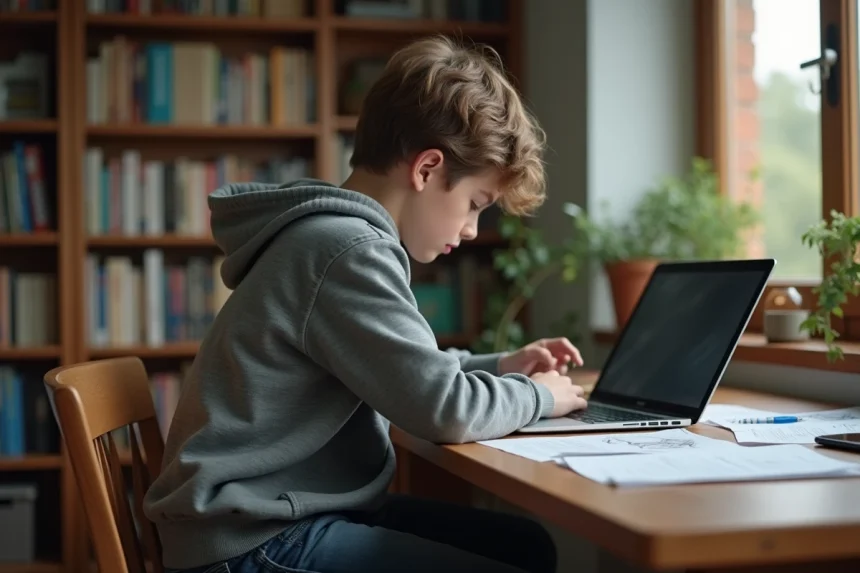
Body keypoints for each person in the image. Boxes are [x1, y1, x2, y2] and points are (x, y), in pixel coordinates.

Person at [143, 34, 589, 573]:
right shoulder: (347, 249)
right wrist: (537, 395)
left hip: (271, 517)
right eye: (475, 204)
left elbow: (407, 373)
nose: (472, 230)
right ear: (426, 169)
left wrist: (501, 367)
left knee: (525, 546)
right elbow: (442, 409)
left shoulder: (332, 238)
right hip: (253, 541)